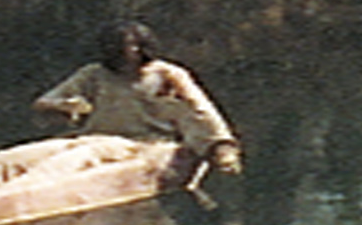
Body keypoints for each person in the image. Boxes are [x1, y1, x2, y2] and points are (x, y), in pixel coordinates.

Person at [32, 20, 240, 187]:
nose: (127, 52)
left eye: (133, 46)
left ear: (144, 47)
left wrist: (220, 147)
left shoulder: (168, 74)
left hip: (146, 144)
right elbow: (45, 103)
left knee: (63, 164)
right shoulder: (93, 74)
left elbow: (199, 109)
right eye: (118, 46)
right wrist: (65, 105)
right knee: (9, 161)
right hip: (92, 138)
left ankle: (27, 196)